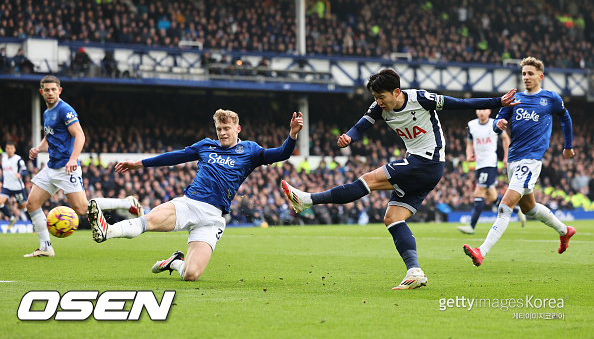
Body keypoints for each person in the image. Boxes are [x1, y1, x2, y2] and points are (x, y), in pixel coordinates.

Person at [281, 68, 519, 290]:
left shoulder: (421, 99)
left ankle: (307, 199)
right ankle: (415, 272)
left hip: (427, 162)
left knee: (369, 180)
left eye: (381, 96)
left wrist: (497, 101)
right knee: (393, 218)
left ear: (397, 92)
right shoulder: (379, 108)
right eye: (375, 97)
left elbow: (460, 103)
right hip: (422, 167)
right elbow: (361, 126)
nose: (378, 101)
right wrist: (349, 138)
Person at [88, 109, 304, 282]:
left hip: (213, 219)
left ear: (238, 129)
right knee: (150, 220)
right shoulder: (206, 146)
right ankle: (108, 231)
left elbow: (281, 154)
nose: (222, 133)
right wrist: (139, 163)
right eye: (219, 128)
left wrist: (292, 134)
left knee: (191, 275)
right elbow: (174, 157)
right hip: (190, 204)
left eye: (227, 128)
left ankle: (174, 262)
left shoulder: (250, 151)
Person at [463, 57, 575, 266]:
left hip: (531, 160)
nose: (526, 77)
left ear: (540, 77)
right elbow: (496, 123)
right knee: (529, 208)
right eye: (524, 74)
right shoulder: (515, 98)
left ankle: (481, 251)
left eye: (530, 74)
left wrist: (568, 146)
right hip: (513, 160)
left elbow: (565, 118)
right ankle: (564, 230)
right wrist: (500, 124)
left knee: (505, 205)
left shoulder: (550, 98)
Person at [25, 75, 142, 257]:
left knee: (81, 210)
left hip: (67, 167)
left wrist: (73, 158)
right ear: (41, 92)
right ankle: (46, 247)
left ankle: (126, 203)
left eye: (53, 89)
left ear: (59, 90)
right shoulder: (47, 113)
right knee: (32, 204)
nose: (50, 93)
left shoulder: (65, 110)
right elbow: (50, 136)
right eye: (46, 90)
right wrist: (38, 149)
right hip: (51, 167)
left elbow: (80, 135)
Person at [457, 109, 526, 235]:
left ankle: (472, 226)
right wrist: (468, 155)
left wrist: (506, 156)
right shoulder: (471, 125)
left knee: (478, 192)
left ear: (489, 111)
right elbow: (469, 142)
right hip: (479, 164)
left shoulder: (495, 123)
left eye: (484, 110)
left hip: (489, 163)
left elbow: (505, 138)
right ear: (476, 111)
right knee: (492, 197)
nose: (481, 112)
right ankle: (516, 210)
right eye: (479, 110)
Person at [1, 141, 29, 229]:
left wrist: (20, 174)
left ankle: (33, 223)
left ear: (14, 149)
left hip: (17, 187)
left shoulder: (18, 159)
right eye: (8, 148)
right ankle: (11, 218)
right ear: (5, 149)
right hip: (7, 186)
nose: (9, 150)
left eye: (11, 148)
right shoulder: (3, 159)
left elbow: (25, 171)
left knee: (23, 207)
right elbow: (5, 173)